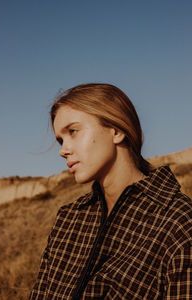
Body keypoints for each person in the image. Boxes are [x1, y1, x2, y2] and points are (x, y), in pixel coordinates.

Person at [30, 83, 192, 299]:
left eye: (73, 131)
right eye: (61, 139)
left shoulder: (178, 221)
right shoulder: (68, 219)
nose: (62, 150)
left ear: (117, 130)